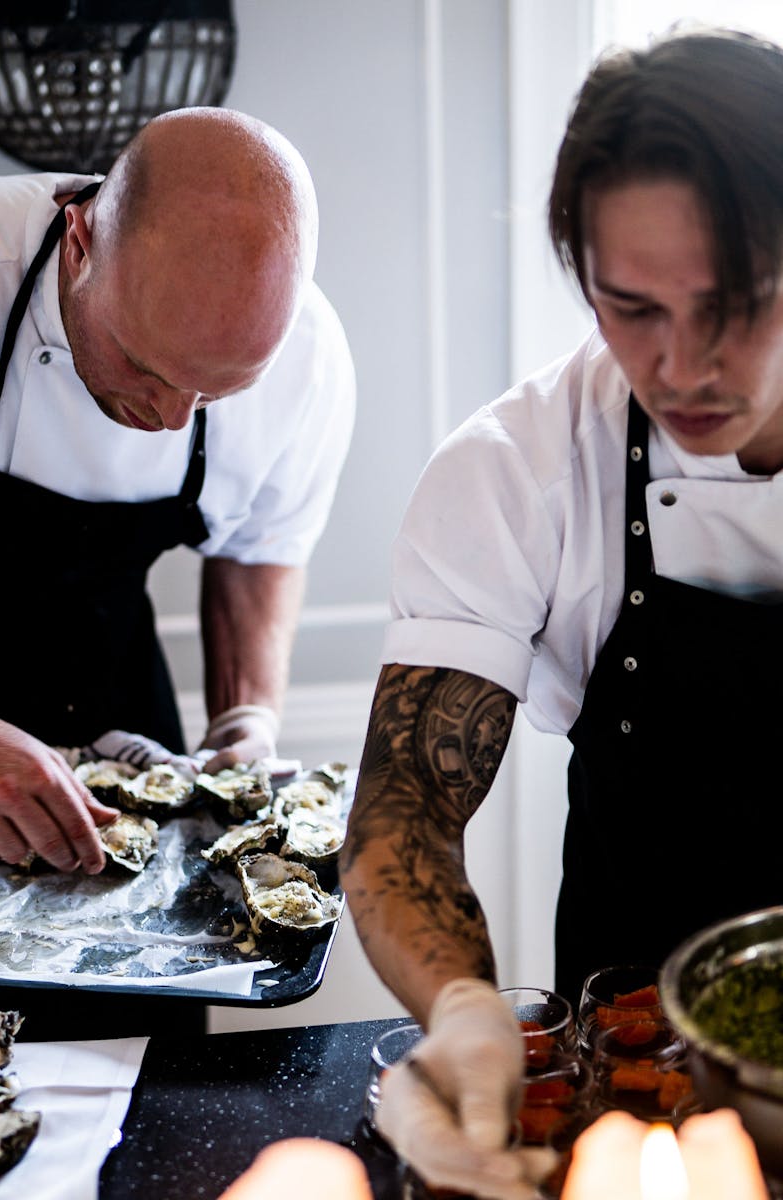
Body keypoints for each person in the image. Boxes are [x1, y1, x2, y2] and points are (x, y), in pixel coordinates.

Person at [341, 24, 783, 1199]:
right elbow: (404, 814)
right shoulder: (515, 467)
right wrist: (464, 1012)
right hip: (633, 1104)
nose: (679, 365)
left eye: (731, 303)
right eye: (627, 305)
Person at [0, 106, 354, 1035]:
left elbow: (260, 547)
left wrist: (246, 718)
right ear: (80, 241)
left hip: (112, 690)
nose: (173, 417)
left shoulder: (306, 358)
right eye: (146, 367)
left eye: (217, 390)